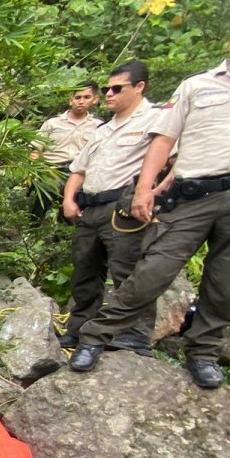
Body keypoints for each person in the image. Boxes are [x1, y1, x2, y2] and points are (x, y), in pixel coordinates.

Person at [69, 7, 230, 388]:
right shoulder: (197, 86)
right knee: (149, 273)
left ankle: (203, 352)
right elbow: (164, 141)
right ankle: (95, 336)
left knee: (227, 282)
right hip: (193, 194)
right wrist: (145, 189)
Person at [60, 61, 167, 356]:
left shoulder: (156, 120)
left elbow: (175, 161)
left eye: (116, 88)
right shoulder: (102, 129)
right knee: (85, 273)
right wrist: (69, 199)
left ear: (139, 87)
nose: (108, 94)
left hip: (124, 209)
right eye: (106, 88)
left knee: (129, 273)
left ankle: (134, 334)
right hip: (90, 208)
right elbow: (78, 170)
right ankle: (80, 329)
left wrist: (151, 193)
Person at [30, 81, 103, 219]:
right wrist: (32, 172)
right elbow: (36, 149)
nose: (81, 101)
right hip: (52, 170)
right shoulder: (53, 122)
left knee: (75, 202)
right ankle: (33, 228)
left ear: (95, 99)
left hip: (79, 173)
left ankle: (64, 235)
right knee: (45, 193)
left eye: (86, 97)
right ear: (71, 100)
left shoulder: (98, 126)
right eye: (77, 97)